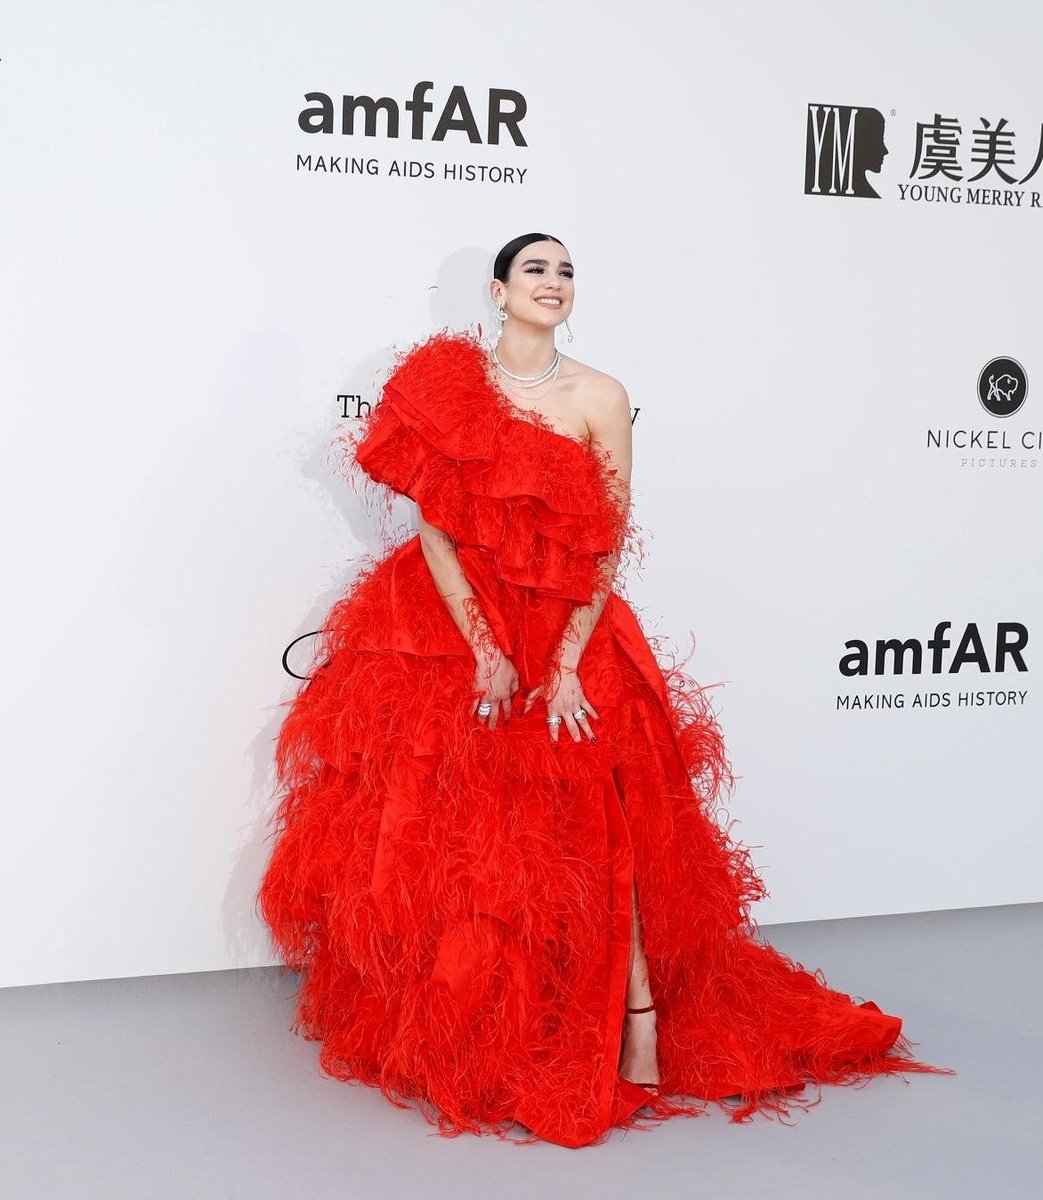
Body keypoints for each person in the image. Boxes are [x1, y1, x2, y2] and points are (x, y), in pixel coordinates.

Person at [257, 233, 952, 1148]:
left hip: (567, 627)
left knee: (597, 821)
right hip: (447, 626)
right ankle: (482, 1021)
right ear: (497, 289)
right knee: (462, 832)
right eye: (534, 269)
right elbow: (436, 535)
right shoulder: (442, 387)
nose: (552, 283)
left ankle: (638, 1025)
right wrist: (482, 648)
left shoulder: (599, 396)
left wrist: (569, 661)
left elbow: (607, 538)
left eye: (566, 271)